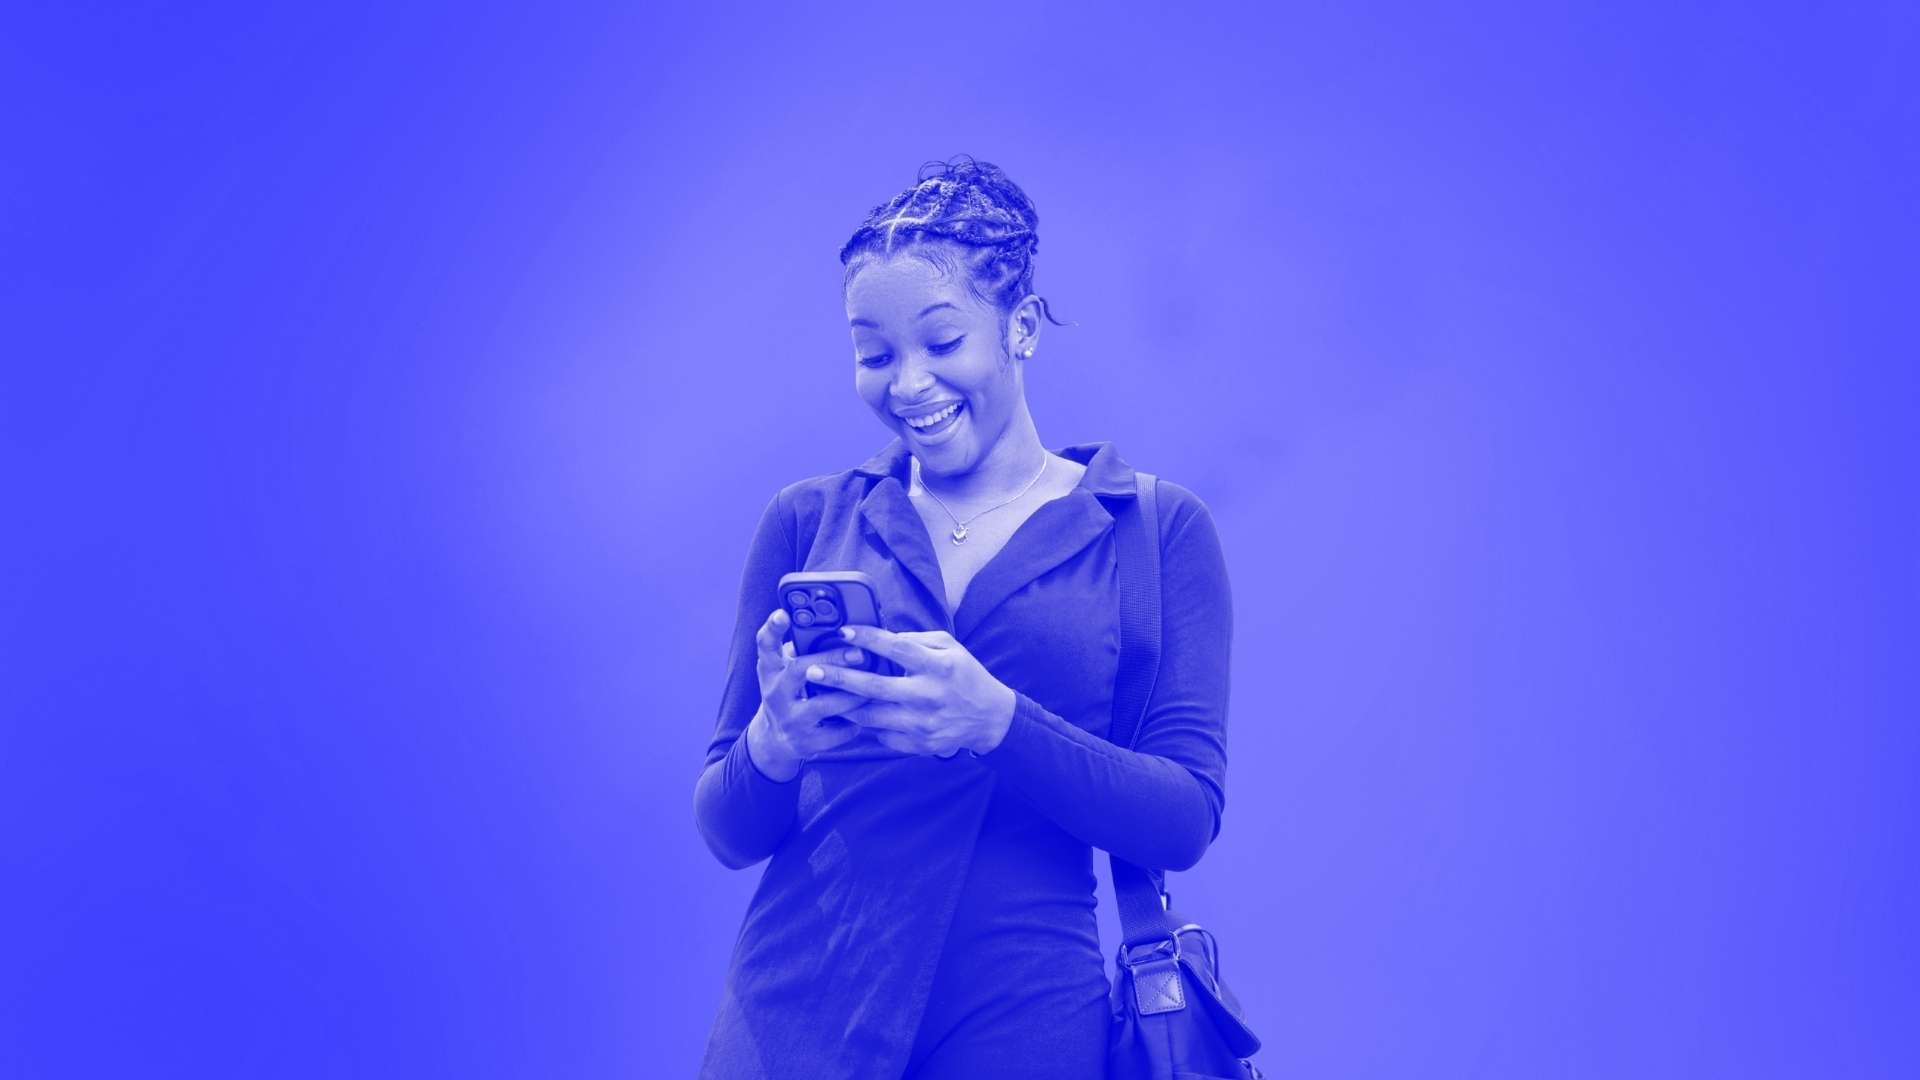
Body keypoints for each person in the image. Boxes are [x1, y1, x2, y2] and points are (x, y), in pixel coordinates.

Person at [692, 156, 1233, 1079]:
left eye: (942, 344)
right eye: (875, 354)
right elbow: (728, 827)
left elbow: (1183, 817)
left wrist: (999, 724)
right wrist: (773, 745)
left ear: (1021, 328)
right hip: (791, 1028)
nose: (910, 385)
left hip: (1022, 1029)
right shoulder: (808, 520)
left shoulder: (1151, 530)